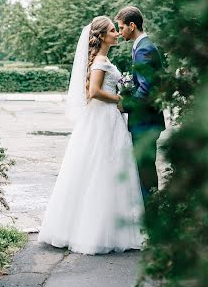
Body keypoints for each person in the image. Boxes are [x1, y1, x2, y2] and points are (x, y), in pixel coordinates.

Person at [38, 16, 144, 255]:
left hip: (108, 118)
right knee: (102, 169)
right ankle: (95, 232)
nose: (117, 33)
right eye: (112, 31)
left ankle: (109, 226)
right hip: (104, 119)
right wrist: (120, 98)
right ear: (101, 36)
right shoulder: (99, 62)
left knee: (109, 169)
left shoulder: (104, 60)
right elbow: (94, 92)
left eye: (117, 30)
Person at [115, 6, 165, 199]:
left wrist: (124, 104)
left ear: (132, 25)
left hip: (145, 123)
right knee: (145, 171)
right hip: (147, 121)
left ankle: (152, 216)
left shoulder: (144, 49)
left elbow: (146, 89)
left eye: (121, 27)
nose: (120, 32)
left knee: (145, 173)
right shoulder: (142, 46)